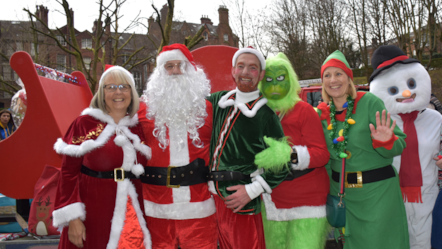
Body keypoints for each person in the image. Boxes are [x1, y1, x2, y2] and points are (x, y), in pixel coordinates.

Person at [316, 50, 409, 248]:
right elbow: (323, 159)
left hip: (377, 195)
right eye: (327, 75)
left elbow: (399, 144)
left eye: (339, 73)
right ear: (322, 81)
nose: (333, 80)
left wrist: (385, 141)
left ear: (349, 78)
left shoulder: (369, 102)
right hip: (343, 199)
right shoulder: (322, 115)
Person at [52, 65, 152, 249]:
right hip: (93, 210)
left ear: (132, 91)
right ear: (101, 92)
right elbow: (68, 173)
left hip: (134, 214)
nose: (118, 92)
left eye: (124, 86)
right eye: (110, 87)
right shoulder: (84, 124)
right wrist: (72, 217)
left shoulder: (139, 126)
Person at [208, 46, 291, 249]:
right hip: (209, 200)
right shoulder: (218, 100)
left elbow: (282, 163)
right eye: (241, 66)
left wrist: (253, 190)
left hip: (239, 202)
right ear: (233, 70)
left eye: (252, 68)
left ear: (261, 75)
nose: (245, 72)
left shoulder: (266, 115)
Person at [138, 44, 217, 249]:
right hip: (157, 206)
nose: (174, 71)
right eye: (168, 66)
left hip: (200, 206)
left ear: (190, 70)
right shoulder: (142, 109)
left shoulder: (208, 107)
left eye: (179, 65)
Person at [370, 45, 442, 249]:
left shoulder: (436, 119)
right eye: (394, 89)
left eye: (411, 83)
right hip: (390, 194)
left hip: (428, 193)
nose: (406, 92)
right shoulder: (380, 123)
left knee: (423, 241)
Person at [258, 53, 330, 249]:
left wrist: (290, 154)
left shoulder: (303, 110)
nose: (274, 86)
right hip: (272, 201)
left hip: (307, 202)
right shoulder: (257, 114)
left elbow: (322, 154)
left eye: (281, 79)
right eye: (268, 80)